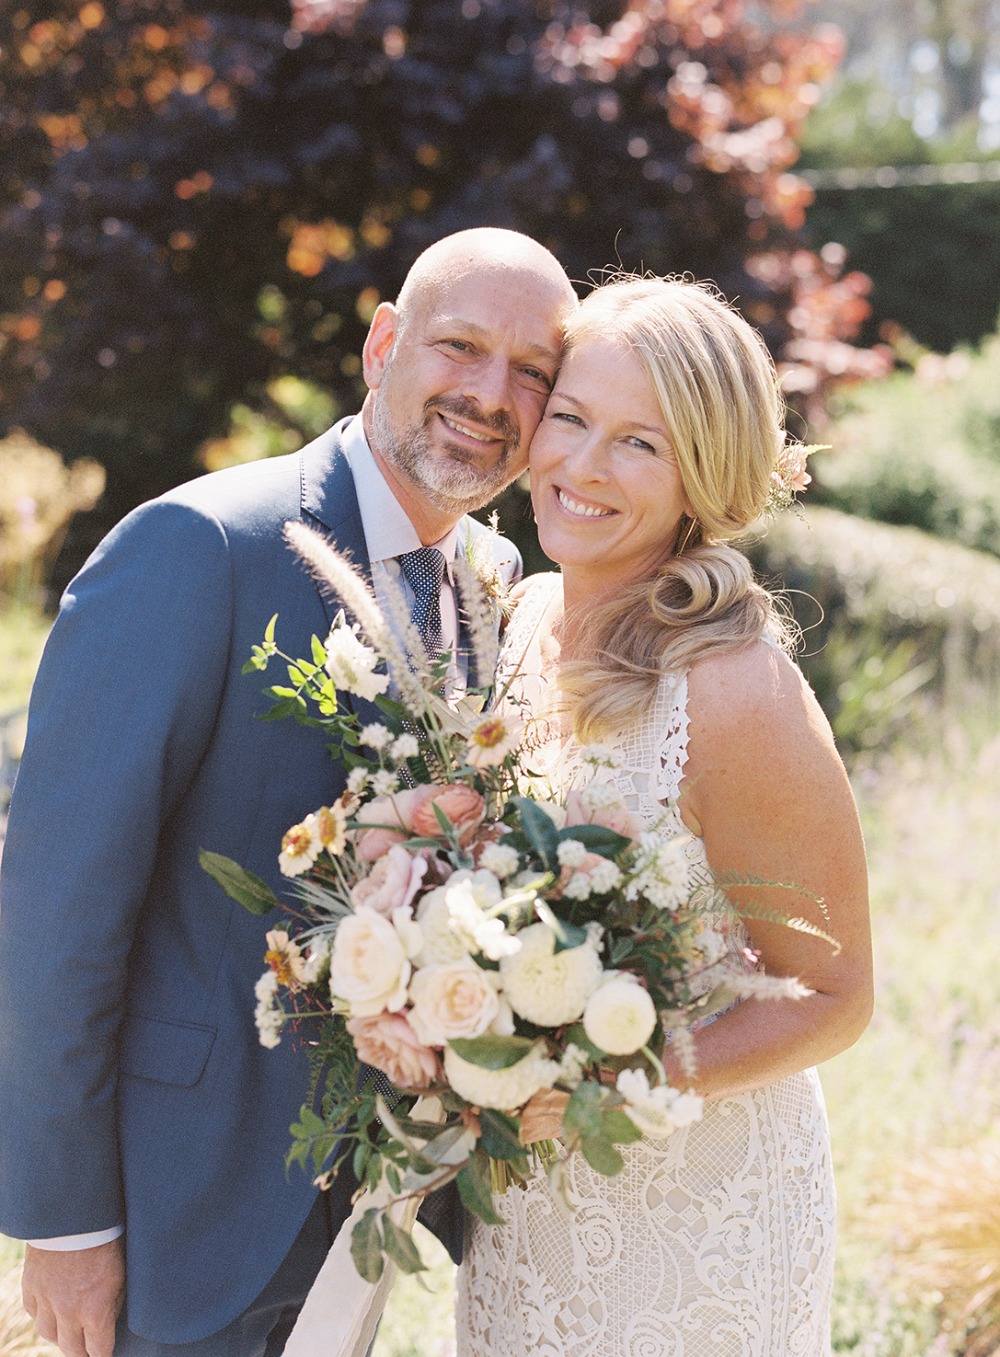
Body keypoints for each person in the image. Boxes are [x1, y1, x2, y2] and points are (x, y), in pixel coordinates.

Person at [0, 227, 578, 1357]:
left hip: (366, 1195)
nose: (488, 393)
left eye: (532, 373)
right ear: (382, 347)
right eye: (460, 346)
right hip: (177, 1198)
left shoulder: (489, 586)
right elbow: (55, 906)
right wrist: (68, 1218)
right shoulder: (199, 546)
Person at [456, 275, 873, 1356]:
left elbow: (833, 995)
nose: (581, 466)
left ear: (701, 473)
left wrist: (606, 1077)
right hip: (530, 1212)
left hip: (697, 1232)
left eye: (638, 443)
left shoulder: (733, 691)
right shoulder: (512, 621)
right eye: (572, 418)